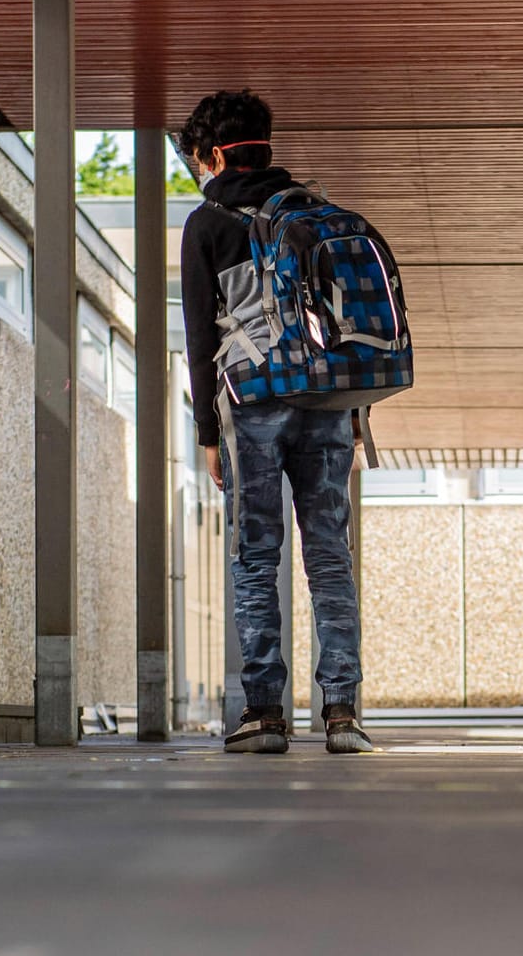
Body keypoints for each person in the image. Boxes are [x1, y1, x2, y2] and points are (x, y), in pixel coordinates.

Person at [178, 89, 373, 754]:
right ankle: (342, 713)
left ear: (209, 155)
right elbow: (348, 325)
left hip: (251, 405)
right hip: (326, 406)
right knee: (329, 559)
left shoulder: (208, 222)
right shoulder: (316, 213)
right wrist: (354, 419)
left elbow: (200, 336)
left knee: (256, 558)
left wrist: (208, 431)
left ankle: (263, 713)